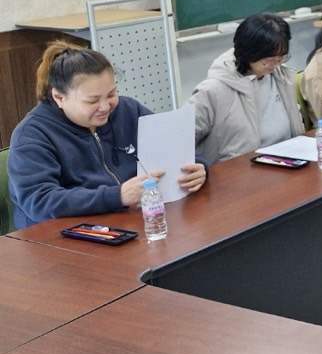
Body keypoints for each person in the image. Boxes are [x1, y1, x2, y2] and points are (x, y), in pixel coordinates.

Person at [7, 42, 207, 229]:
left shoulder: (129, 110)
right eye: (92, 101)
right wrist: (116, 196)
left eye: (111, 94)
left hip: (131, 221)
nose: (105, 107)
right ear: (59, 97)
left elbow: (175, 147)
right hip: (63, 236)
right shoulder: (32, 135)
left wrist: (197, 168)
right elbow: (39, 200)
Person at [188, 12, 304, 163]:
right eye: (269, 60)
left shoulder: (281, 77)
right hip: (238, 172)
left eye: (281, 58)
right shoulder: (212, 90)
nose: (276, 65)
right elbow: (181, 140)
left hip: (286, 161)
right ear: (249, 53)